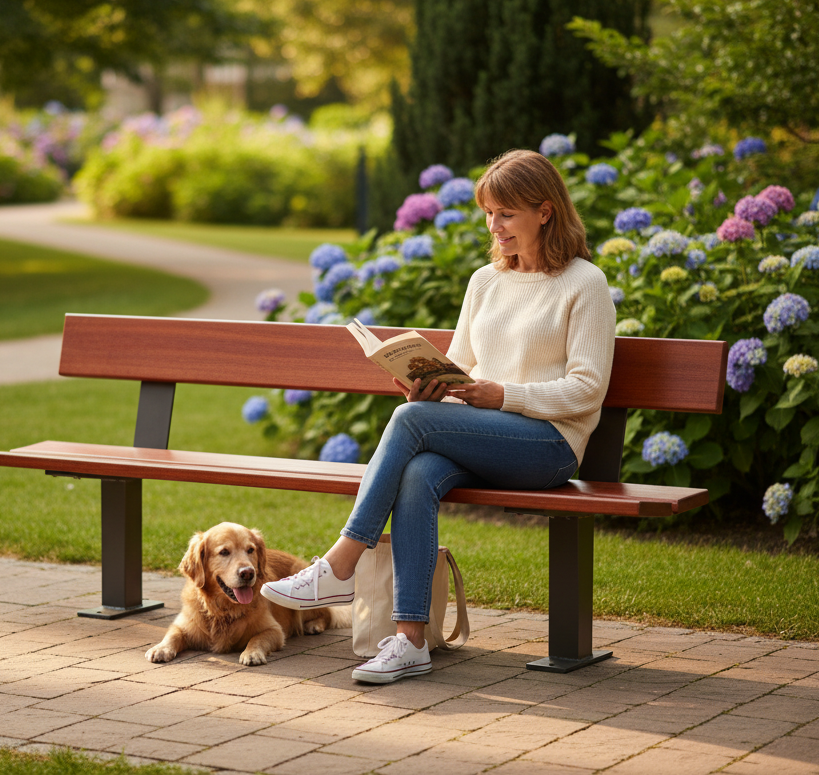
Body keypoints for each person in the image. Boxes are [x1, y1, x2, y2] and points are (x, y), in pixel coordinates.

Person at [262, 148, 616, 684]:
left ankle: (338, 565)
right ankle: (409, 641)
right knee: (419, 469)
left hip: (549, 446)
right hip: (487, 435)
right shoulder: (485, 281)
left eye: (506, 214)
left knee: (410, 427)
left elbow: (587, 390)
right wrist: (434, 391)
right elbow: (466, 367)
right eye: (488, 214)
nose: (494, 227)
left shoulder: (584, 283)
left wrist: (504, 396)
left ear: (546, 211)